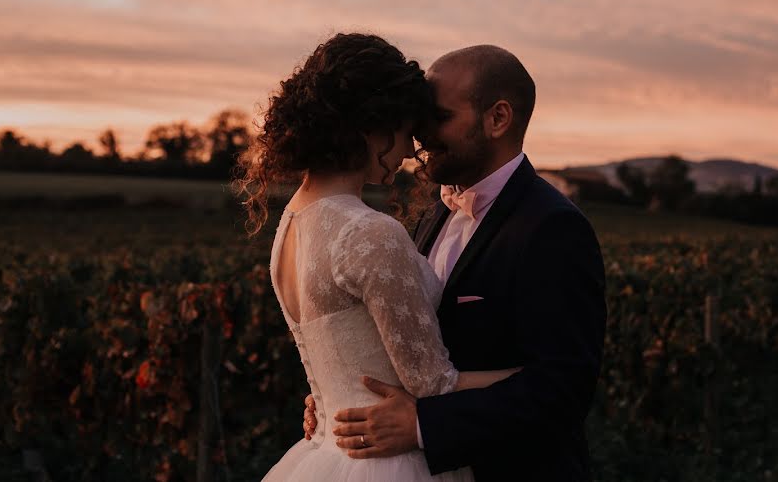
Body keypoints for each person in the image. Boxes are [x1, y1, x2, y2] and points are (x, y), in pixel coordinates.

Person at [304, 45, 608, 480]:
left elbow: (564, 388)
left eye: (440, 117)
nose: (422, 134)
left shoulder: (553, 228)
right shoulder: (435, 212)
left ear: (497, 118)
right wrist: (344, 387)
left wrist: (424, 425)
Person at [236, 33, 522, 481]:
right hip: (391, 461)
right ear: (371, 127)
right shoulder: (367, 231)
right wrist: (530, 376)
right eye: (406, 130)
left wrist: (329, 400)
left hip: (327, 453)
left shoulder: (290, 224)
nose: (411, 150)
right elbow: (433, 384)